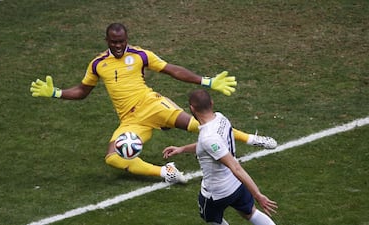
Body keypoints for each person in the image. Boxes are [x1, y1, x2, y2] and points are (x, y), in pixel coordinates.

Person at [30, 23, 277, 184]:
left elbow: (172, 70)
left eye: (121, 42)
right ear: (106, 40)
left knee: (199, 126)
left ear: (127, 39)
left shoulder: (140, 55)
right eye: (113, 42)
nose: (117, 46)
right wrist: (56, 93)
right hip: (130, 120)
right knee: (112, 158)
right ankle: (165, 172)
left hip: (152, 105)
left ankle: (252, 139)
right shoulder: (97, 64)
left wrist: (207, 81)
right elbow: (83, 91)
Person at [163, 89, 277, 225]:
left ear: (192, 108)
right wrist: (182, 149)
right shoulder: (221, 118)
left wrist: (258, 195)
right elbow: (208, 147)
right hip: (236, 185)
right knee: (250, 212)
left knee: (212, 221)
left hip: (215, 193)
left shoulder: (208, 137)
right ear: (212, 103)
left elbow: (235, 166)